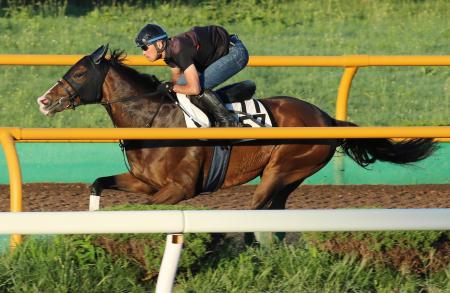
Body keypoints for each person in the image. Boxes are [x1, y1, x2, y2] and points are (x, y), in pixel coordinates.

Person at [135, 23, 249, 127]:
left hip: (235, 53)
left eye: (145, 47)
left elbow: (194, 89)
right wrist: (171, 88)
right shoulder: (168, 55)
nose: (143, 52)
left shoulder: (179, 51)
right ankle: (222, 101)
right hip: (218, 51)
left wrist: (170, 87)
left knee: (197, 88)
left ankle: (229, 122)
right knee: (182, 86)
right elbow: (177, 81)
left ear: (159, 44)